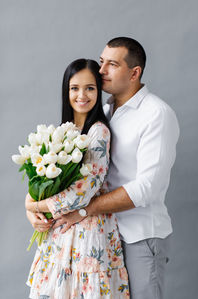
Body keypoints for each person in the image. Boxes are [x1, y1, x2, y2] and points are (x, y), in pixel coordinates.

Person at [42, 37, 180, 299]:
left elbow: (146, 188)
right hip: (107, 235)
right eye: (102, 61)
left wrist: (84, 209)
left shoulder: (157, 114)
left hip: (140, 236)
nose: (101, 70)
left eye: (112, 64)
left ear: (134, 73)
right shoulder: (104, 111)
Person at [25, 59, 130, 299]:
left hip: (89, 234)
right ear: (66, 90)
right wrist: (32, 212)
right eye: (74, 88)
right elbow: (43, 183)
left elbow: (83, 190)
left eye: (90, 88)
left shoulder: (98, 132)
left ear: (99, 90)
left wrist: (36, 205)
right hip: (61, 233)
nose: (82, 95)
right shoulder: (64, 131)